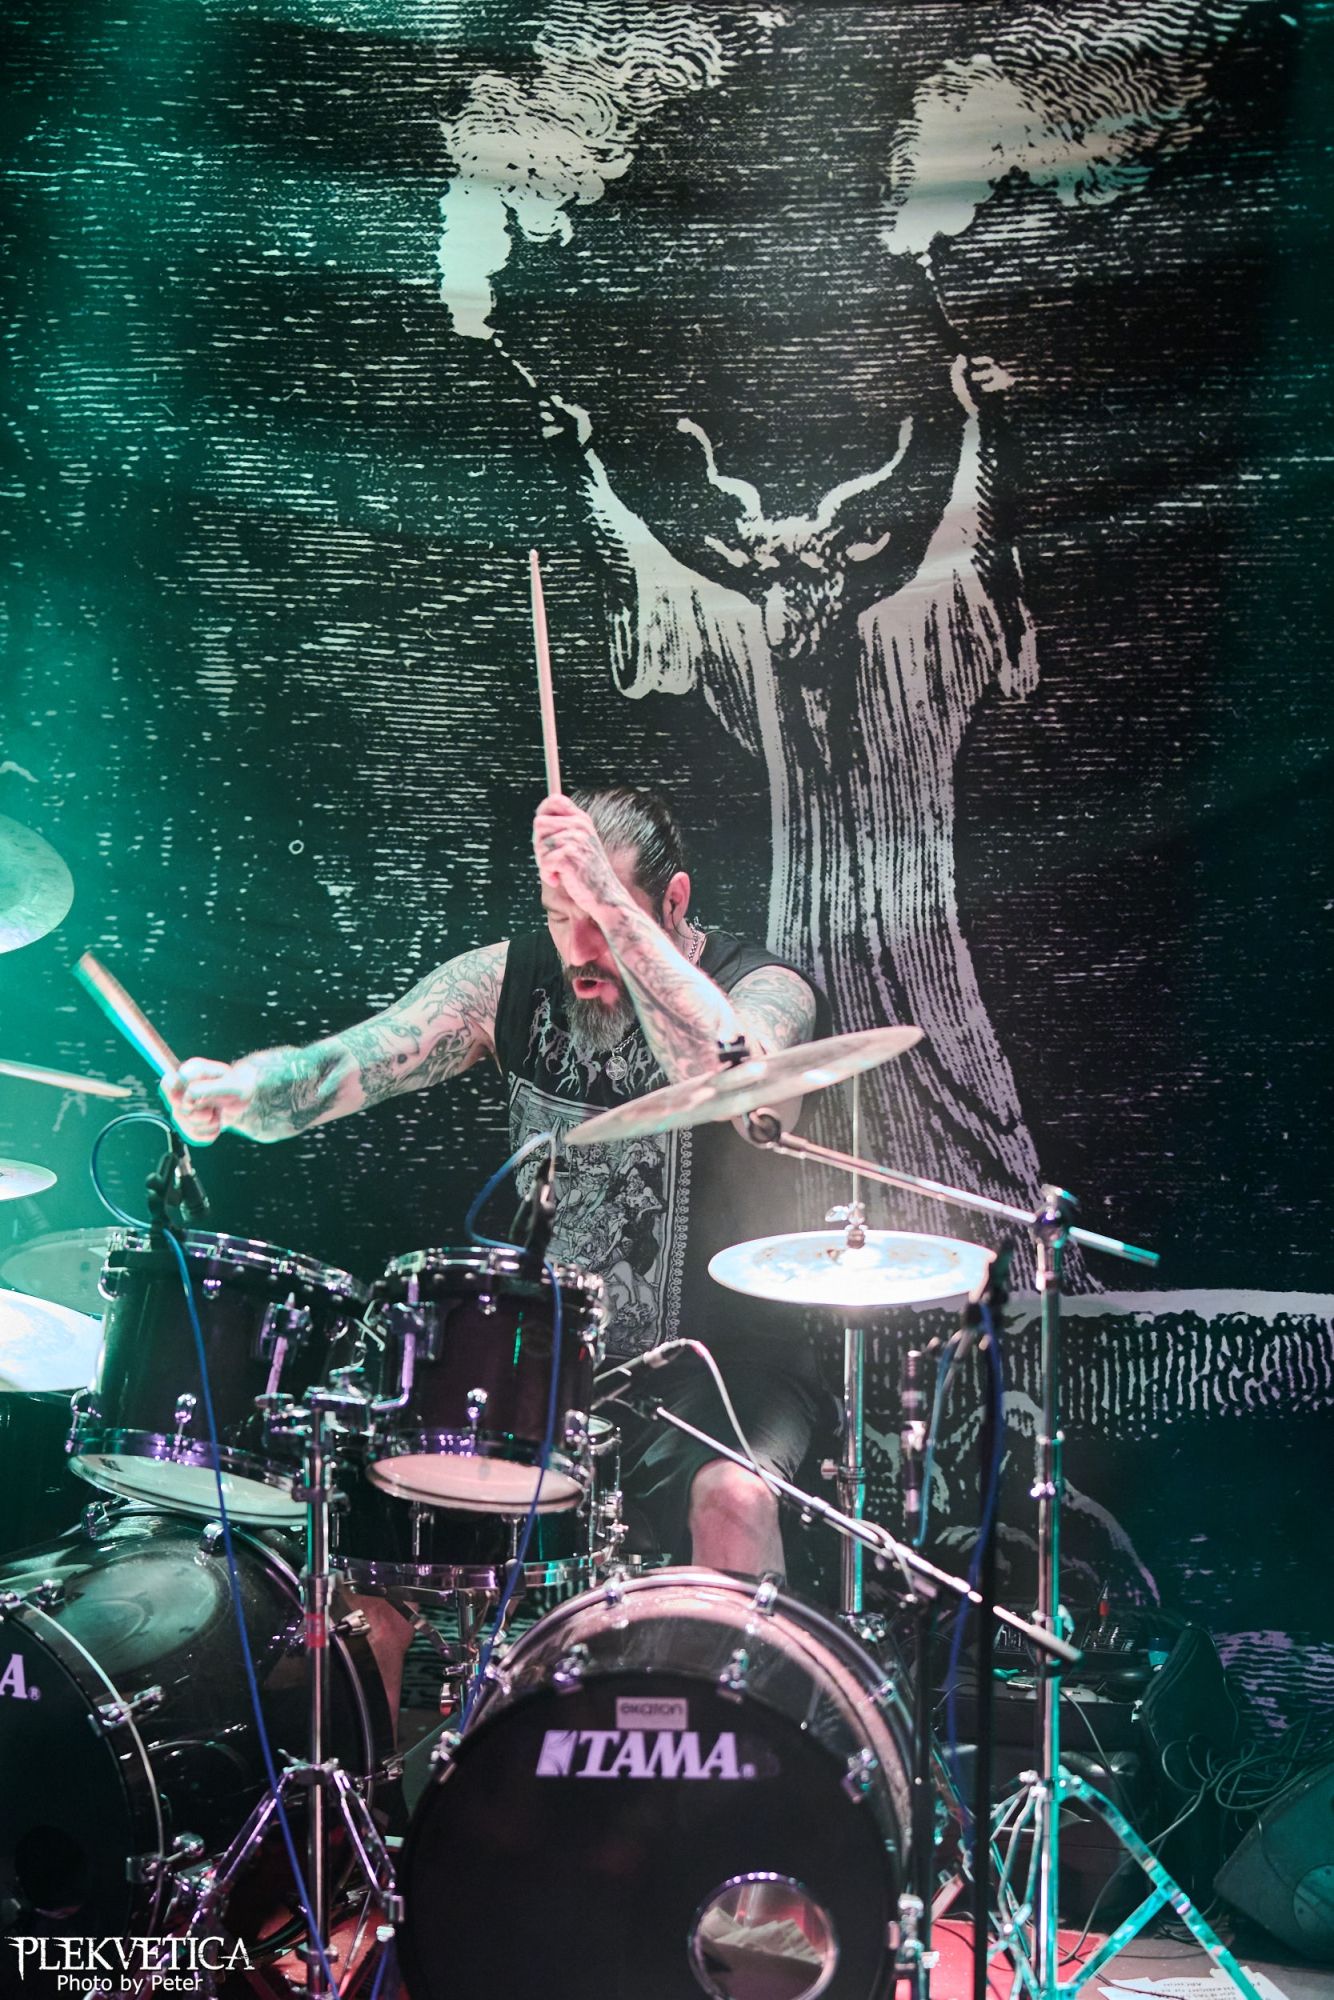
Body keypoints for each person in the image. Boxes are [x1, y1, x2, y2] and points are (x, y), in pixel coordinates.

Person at [163, 787, 828, 1579]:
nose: (579, 948)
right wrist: (244, 1091)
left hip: (723, 1366)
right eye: (561, 915)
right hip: (550, 1368)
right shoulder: (510, 979)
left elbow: (738, 1082)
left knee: (733, 1499)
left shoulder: (767, 988)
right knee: (385, 1515)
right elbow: (343, 1064)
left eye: (605, 918)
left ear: (674, 900)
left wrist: (617, 915)